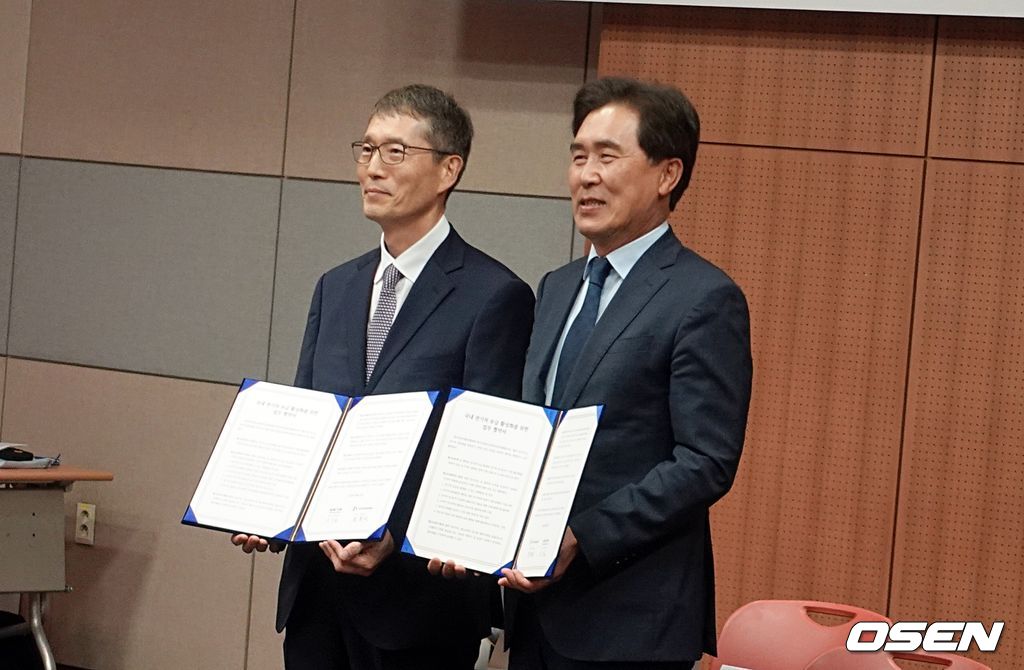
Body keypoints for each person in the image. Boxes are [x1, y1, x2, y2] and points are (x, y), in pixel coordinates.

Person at [431, 76, 752, 668]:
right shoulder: (556, 288)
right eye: (578, 156)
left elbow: (706, 461)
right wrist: (476, 526)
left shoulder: (704, 297)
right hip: (534, 612)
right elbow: (532, 434)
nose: (586, 175)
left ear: (667, 174)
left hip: (631, 619)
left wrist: (581, 535)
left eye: (608, 156)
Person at [233, 84, 535, 670]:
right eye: (366, 149)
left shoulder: (494, 295)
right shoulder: (336, 285)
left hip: (417, 599)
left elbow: (479, 454)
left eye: (395, 153)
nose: (372, 168)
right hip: (316, 590)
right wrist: (271, 509)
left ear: (449, 169)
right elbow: (311, 422)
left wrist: (393, 533)